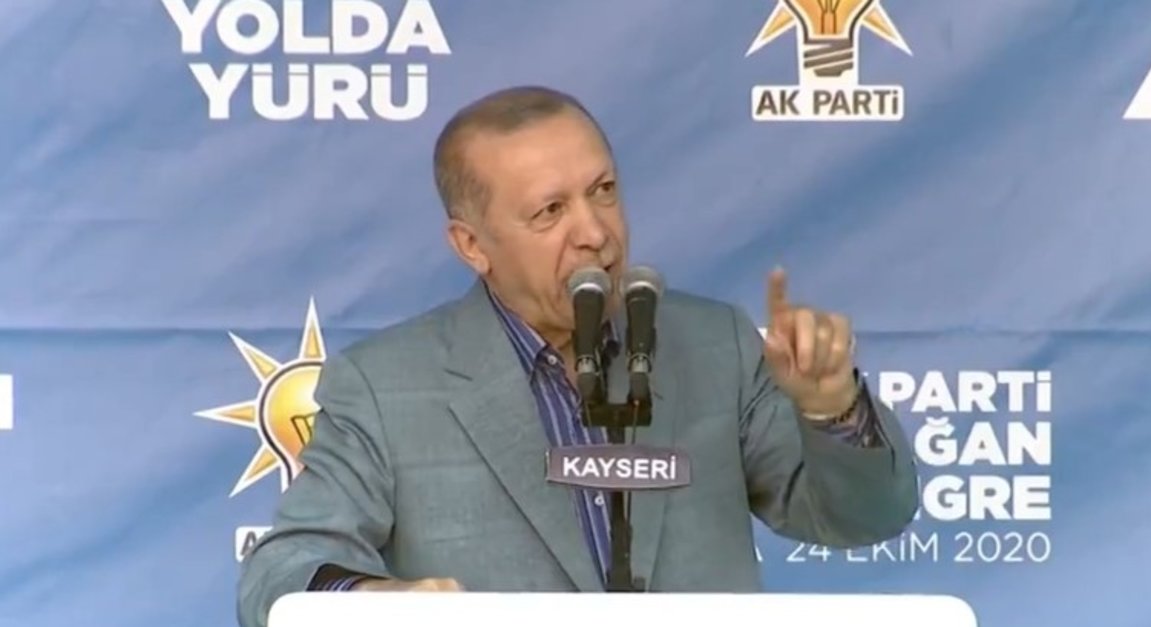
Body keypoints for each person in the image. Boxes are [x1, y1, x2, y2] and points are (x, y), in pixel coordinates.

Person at [236, 85, 918, 627]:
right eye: (550, 212)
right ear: (472, 246)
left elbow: (868, 515)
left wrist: (833, 410)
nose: (595, 232)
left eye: (604, 191)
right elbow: (281, 571)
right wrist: (372, 601)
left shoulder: (717, 345)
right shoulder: (385, 386)